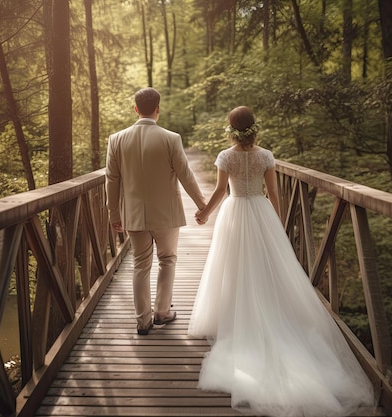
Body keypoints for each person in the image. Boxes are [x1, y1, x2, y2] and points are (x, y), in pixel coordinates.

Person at [189, 106, 375, 416]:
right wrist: (276, 224)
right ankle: (269, 310)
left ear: (230, 128)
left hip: (235, 212)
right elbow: (274, 192)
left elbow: (221, 191)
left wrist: (205, 213)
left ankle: (236, 313)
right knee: (264, 266)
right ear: (254, 127)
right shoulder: (265, 156)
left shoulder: (225, 156)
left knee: (233, 266)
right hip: (260, 211)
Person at [106, 87, 206, 336]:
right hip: (166, 215)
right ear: (158, 109)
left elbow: (112, 180)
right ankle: (162, 312)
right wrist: (202, 205)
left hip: (133, 214)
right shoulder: (171, 138)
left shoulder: (116, 139)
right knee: (167, 260)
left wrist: (113, 214)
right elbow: (186, 175)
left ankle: (143, 321)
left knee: (140, 264)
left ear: (136, 109)